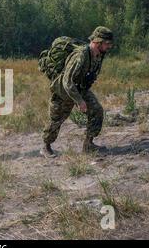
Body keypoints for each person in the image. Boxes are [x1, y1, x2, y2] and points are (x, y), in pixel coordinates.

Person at [40, 26, 114, 158]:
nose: (109, 46)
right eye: (107, 43)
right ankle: (45, 146)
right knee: (57, 119)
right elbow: (67, 81)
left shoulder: (99, 54)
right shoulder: (80, 55)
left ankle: (88, 145)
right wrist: (79, 101)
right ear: (98, 42)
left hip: (80, 88)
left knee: (96, 110)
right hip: (65, 91)